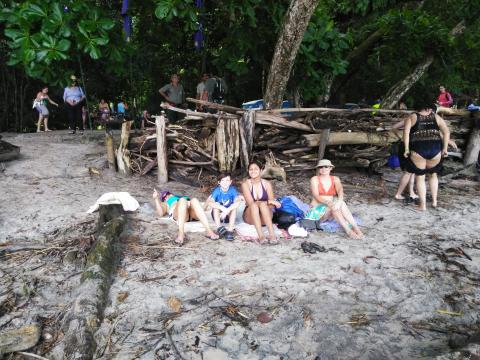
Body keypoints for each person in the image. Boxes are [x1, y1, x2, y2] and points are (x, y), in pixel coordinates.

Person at [403, 104, 450, 210]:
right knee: (433, 175)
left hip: (418, 150)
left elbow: (406, 133)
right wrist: (445, 148)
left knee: (420, 177)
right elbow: (446, 132)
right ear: (429, 107)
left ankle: (422, 205)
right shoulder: (436, 117)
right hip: (435, 150)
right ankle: (434, 201)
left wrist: (406, 149)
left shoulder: (412, 117)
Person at [308, 159, 364, 239]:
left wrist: (339, 201)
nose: (323, 169)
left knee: (340, 203)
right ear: (318, 169)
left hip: (331, 208)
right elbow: (316, 195)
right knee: (334, 207)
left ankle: (356, 229)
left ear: (331, 168)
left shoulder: (335, 179)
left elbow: (340, 191)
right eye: (321, 167)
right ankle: (349, 231)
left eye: (326, 167)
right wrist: (328, 202)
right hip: (318, 210)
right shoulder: (314, 179)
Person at [152, 189, 219, 245]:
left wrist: (207, 202)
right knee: (182, 200)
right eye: (164, 198)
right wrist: (156, 199)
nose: (166, 197)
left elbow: (201, 210)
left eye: (167, 194)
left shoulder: (181, 197)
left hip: (190, 212)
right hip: (178, 212)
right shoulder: (165, 203)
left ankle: (209, 231)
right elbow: (160, 213)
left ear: (171, 194)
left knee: (194, 200)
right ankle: (181, 234)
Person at [241, 162, 281, 244]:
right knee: (255, 205)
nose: (253, 171)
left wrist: (267, 203)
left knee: (263, 205)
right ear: (248, 171)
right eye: (251, 169)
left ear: (261, 170)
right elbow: (250, 203)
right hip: (251, 216)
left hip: (265, 216)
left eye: (256, 169)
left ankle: (272, 235)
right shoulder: (245, 184)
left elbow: (271, 204)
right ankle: (261, 236)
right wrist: (268, 201)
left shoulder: (267, 184)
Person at [206, 173, 243, 241]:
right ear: (219, 182)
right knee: (216, 204)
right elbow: (210, 202)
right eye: (223, 180)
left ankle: (230, 231)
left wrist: (227, 211)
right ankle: (219, 227)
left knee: (233, 207)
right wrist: (222, 208)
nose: (225, 182)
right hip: (218, 216)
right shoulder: (217, 190)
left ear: (230, 182)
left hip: (228, 216)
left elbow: (237, 202)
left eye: (227, 180)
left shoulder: (232, 190)